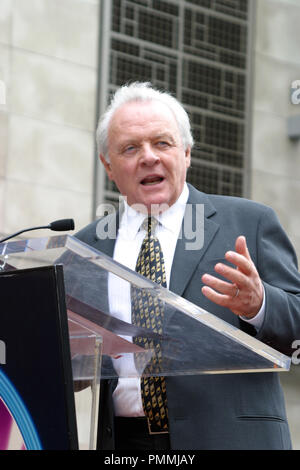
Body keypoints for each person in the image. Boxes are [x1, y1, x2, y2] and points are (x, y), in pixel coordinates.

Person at [75, 82, 300, 450]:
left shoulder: (249, 222)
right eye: (130, 148)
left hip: (231, 438)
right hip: (125, 444)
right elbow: (74, 368)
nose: (148, 157)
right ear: (108, 165)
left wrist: (260, 306)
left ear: (187, 152)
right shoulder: (87, 246)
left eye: (162, 143)